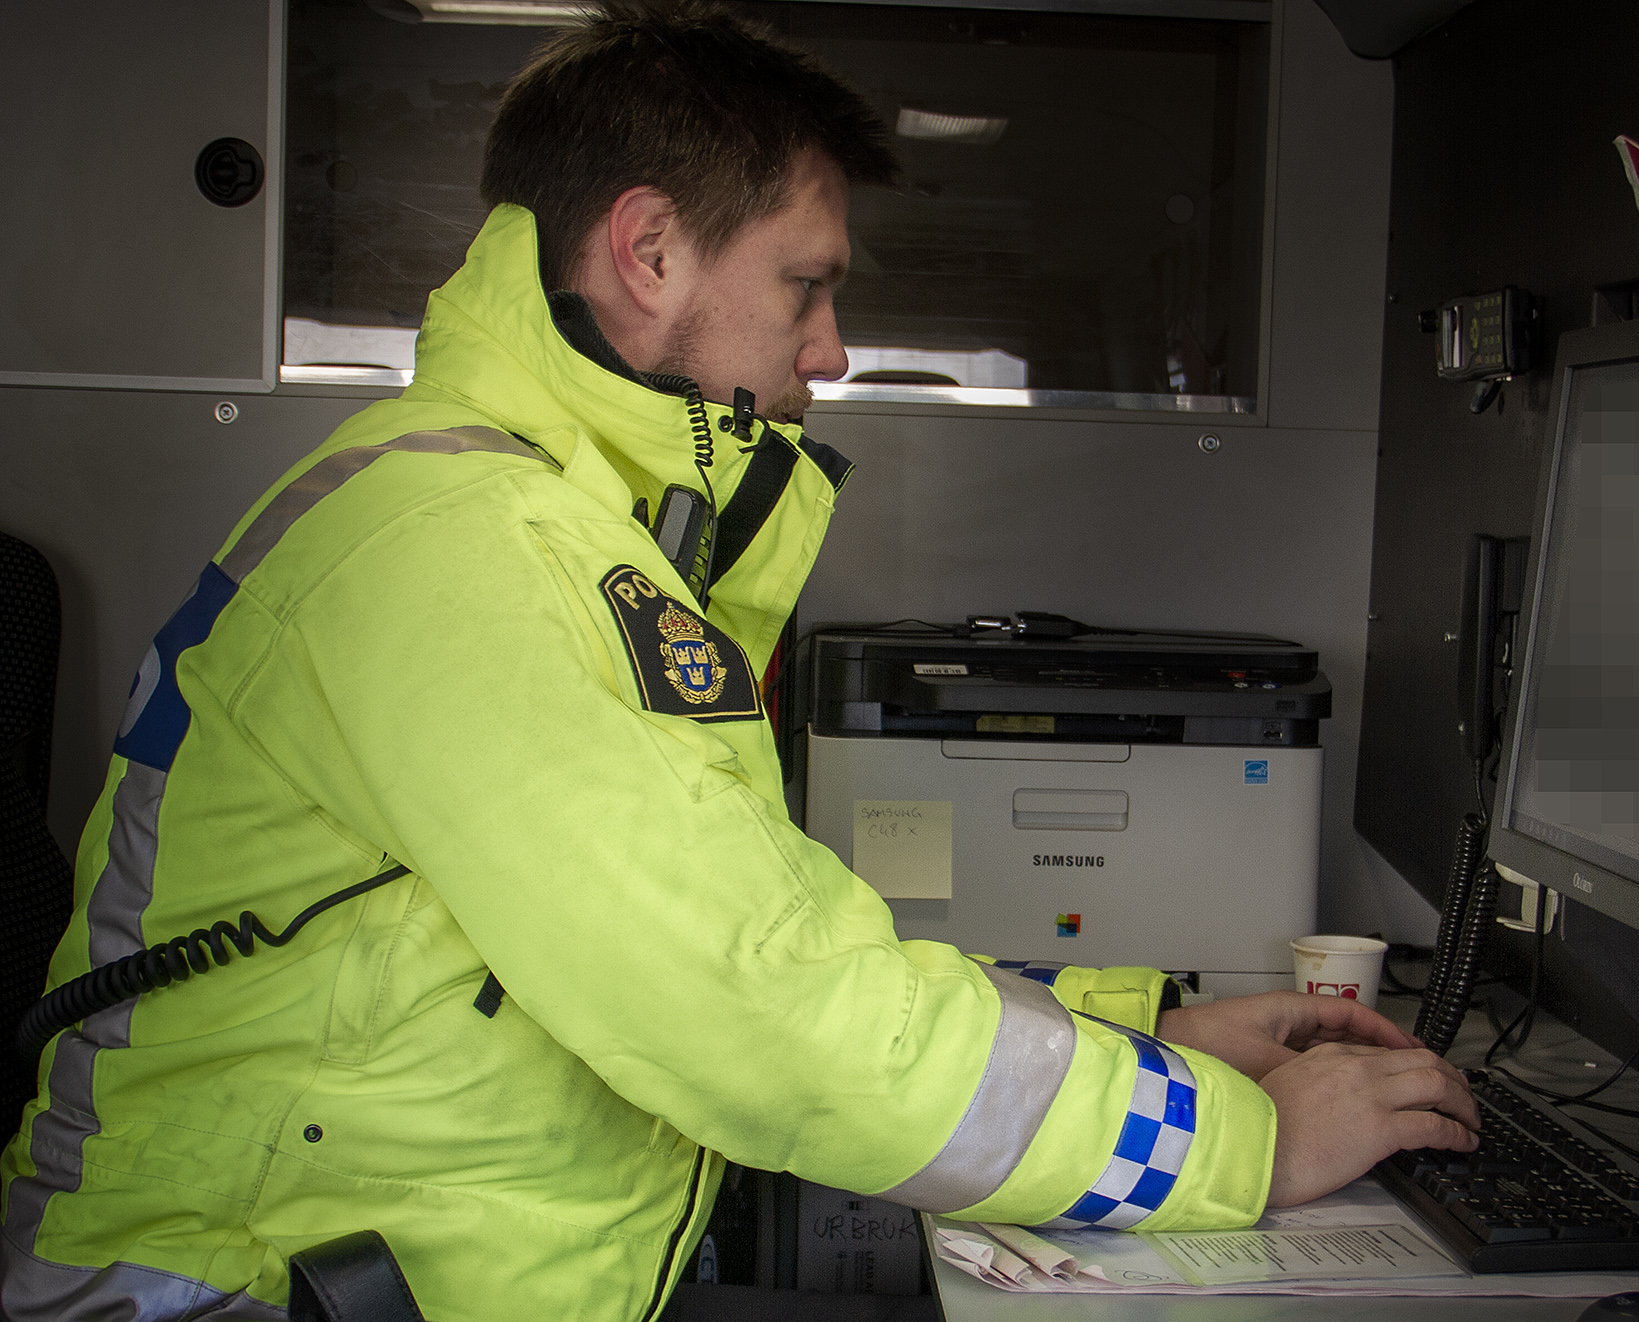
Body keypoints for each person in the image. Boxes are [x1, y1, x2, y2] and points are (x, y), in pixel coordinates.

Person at [0, 3, 1476, 1318]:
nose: (831, 350)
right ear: (649, 252)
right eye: (805, 287)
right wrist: (1250, 1142)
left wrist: (1152, 1023)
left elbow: (763, 938)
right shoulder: (478, 550)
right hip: (236, 1282)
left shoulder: (524, 517)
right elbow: (764, 1007)